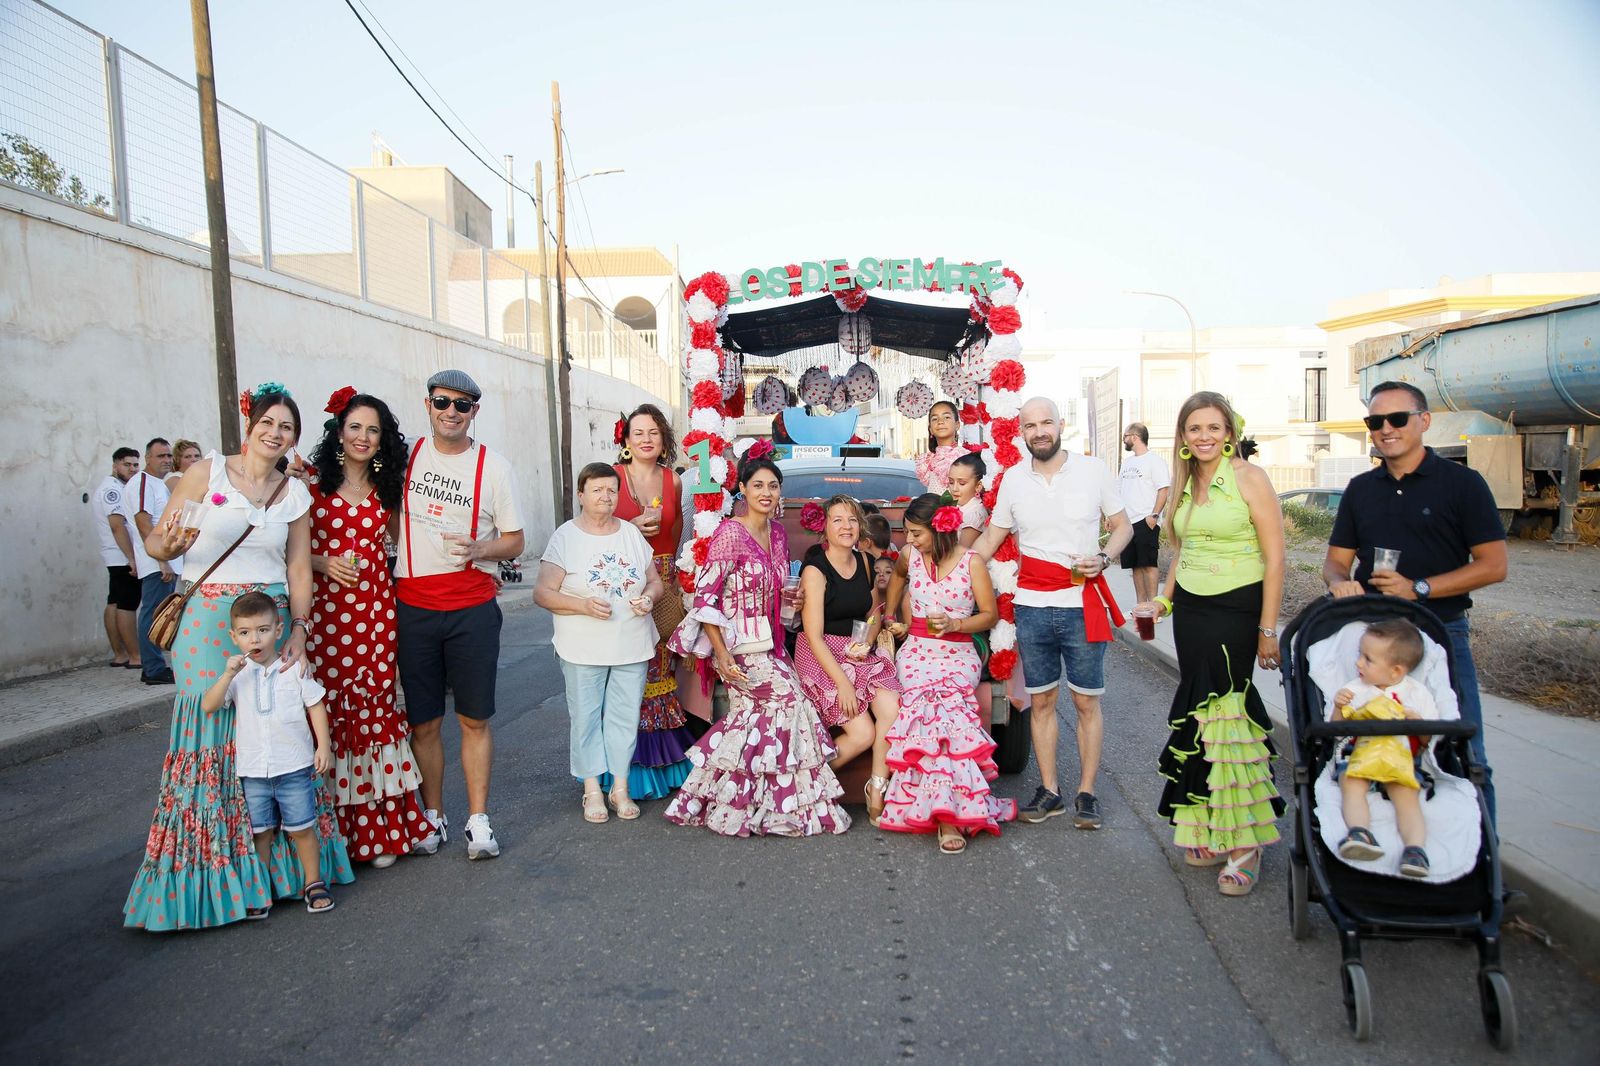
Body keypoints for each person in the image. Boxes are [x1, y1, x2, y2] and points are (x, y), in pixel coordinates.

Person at [124, 383, 352, 931]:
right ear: (249, 425)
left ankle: (283, 874)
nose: (276, 434)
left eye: (287, 428)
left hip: (271, 622)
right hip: (206, 624)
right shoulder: (206, 473)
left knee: (274, 731)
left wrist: (300, 629)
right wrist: (166, 550)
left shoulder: (294, 495)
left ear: (294, 438)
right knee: (213, 729)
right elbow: (158, 540)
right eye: (268, 422)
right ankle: (210, 873)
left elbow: (300, 569)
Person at [1321, 379, 1508, 822]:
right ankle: (1377, 841)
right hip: (1373, 640)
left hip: (1440, 632)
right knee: (1366, 740)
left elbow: (1494, 565)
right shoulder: (1361, 489)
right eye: (1375, 421)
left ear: (1423, 421)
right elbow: (1334, 562)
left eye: (1397, 418)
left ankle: (1482, 861)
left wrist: (1418, 588)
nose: (1385, 428)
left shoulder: (1462, 484)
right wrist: (1339, 582)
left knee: (1462, 744)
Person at [1140, 391, 1286, 898]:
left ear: (1230, 431)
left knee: (1231, 715)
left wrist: (1269, 630)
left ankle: (1246, 843)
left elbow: (1275, 558)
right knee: (1201, 715)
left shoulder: (1250, 478)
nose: (1204, 437)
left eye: (1214, 428)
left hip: (1237, 606)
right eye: (1194, 429)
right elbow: (1183, 551)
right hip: (1194, 612)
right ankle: (1206, 826)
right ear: (1182, 436)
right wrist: (1164, 602)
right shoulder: (1184, 483)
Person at [665, 456, 851, 836]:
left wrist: (790, 601)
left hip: (771, 643)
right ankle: (767, 804)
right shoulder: (730, 534)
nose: (766, 493)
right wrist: (721, 655)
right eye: (758, 486)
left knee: (754, 722)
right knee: (789, 704)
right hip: (736, 649)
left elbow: (775, 590)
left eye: (773, 486)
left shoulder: (779, 534)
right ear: (744, 491)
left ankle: (738, 802)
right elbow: (705, 599)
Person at [972, 397, 1132, 829]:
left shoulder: (1092, 471)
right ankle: (1050, 792)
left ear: (1061, 425)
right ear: (1020, 432)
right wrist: (948, 572)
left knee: (1085, 702)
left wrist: (1103, 557)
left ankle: (1087, 792)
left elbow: (1123, 527)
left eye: (1046, 423)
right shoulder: (1012, 480)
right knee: (1041, 702)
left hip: (1082, 604)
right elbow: (992, 536)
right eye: (1030, 425)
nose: (1039, 431)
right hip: (1032, 607)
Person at [394, 369, 525, 860]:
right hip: (413, 607)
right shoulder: (403, 457)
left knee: (474, 719)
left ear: (475, 411)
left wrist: (481, 548)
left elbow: (516, 539)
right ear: (427, 404)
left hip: (471, 607)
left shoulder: (495, 467)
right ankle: (432, 815)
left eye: (462, 404)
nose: (451, 411)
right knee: (423, 723)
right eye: (442, 402)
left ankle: (477, 819)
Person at [306, 388, 430, 869]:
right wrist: (322, 560)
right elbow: (289, 551)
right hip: (326, 616)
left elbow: (398, 549)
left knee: (375, 706)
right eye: (355, 427)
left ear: (383, 440)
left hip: (375, 612)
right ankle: (335, 835)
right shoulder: (311, 487)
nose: (363, 437)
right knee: (330, 712)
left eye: (373, 430)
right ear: (340, 432)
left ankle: (381, 829)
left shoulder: (389, 492)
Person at [879, 494, 1016, 852]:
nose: (908, 540)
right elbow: (896, 577)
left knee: (946, 716)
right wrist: (891, 615)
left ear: (938, 530)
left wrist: (956, 622)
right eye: (907, 533)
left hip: (958, 651)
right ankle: (936, 810)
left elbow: (989, 614)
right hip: (917, 651)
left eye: (915, 533)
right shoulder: (910, 556)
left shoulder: (972, 563)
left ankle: (949, 817)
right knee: (926, 714)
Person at [537, 463, 664, 822]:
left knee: (625, 717)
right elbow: (543, 592)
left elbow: (654, 581)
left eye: (611, 490)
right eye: (597, 490)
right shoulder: (565, 537)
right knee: (587, 717)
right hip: (582, 646)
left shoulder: (630, 534)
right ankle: (591, 788)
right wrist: (582, 605)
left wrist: (650, 599)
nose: (605, 497)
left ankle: (619, 788)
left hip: (631, 643)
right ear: (581, 495)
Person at [203, 592, 337, 915]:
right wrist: (227, 675)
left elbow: (315, 705)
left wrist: (324, 745)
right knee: (261, 834)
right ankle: (260, 890)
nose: (255, 639)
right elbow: (209, 705)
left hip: (293, 767)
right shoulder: (238, 676)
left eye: (263, 630)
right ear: (234, 637)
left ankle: (313, 882)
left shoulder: (293, 668)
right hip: (254, 772)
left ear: (278, 631)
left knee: (302, 828)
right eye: (246, 633)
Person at [793, 494, 902, 823]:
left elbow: (872, 614)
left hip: (856, 649)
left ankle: (877, 789)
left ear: (861, 526)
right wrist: (843, 684)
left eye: (852, 520)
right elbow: (813, 634)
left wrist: (866, 641)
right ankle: (810, 782)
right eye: (838, 519)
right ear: (825, 527)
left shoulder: (866, 562)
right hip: (821, 652)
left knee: (893, 709)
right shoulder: (816, 570)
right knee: (863, 734)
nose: (846, 526)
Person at [610, 403, 696, 799]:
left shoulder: (672, 482)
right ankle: (617, 766)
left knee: (659, 669)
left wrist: (677, 583)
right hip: (618, 580)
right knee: (624, 669)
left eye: (654, 433)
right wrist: (627, 527)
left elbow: (677, 534)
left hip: (662, 578)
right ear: (626, 440)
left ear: (664, 441)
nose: (646, 439)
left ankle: (658, 766)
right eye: (638, 432)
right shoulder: (609, 478)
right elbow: (593, 528)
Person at [1331, 619, 1437, 878]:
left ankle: (1415, 849)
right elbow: (1335, 730)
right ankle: (1359, 832)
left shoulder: (1416, 694)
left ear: (1395, 671)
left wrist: (1417, 724)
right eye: (1360, 655)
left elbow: (1427, 741)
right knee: (1351, 782)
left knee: (1407, 796)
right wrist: (1338, 707)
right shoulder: (1355, 690)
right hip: (1360, 758)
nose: (1358, 663)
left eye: (1368, 659)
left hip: (1400, 761)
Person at [124, 438, 177, 685]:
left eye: (168, 456)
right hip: (156, 562)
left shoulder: (158, 484)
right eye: (160, 456)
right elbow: (144, 523)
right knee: (153, 613)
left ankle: (156, 665)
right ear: (147, 458)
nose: (166, 460)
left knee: (159, 612)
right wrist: (161, 560)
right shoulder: (143, 483)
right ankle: (153, 668)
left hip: (163, 561)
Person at [94, 446, 142, 670]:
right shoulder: (112, 490)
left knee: (115, 602)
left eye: (135, 464)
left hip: (118, 556)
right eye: (127, 464)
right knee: (127, 604)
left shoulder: (120, 487)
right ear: (115, 466)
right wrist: (132, 558)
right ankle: (134, 656)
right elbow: (117, 526)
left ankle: (121, 654)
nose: (132, 469)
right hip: (121, 557)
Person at [1119, 423, 1171, 604]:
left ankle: (1154, 605)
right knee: (1135, 565)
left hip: (1145, 519)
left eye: (1125, 436)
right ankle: (1141, 605)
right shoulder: (1127, 462)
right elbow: (1120, 490)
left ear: (1134, 437)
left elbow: (1163, 489)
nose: (1123, 440)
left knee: (1148, 564)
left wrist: (1154, 515)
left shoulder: (1154, 460)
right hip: (1127, 522)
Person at [915, 401, 965, 493]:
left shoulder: (964, 457)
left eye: (946, 417)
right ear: (931, 429)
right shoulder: (928, 461)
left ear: (957, 425)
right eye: (934, 419)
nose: (940, 422)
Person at [947, 451, 988, 548]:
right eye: (951, 482)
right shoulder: (957, 506)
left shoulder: (975, 514)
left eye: (962, 483)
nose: (954, 488)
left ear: (978, 486)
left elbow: (962, 553)